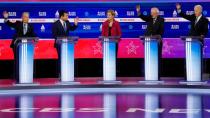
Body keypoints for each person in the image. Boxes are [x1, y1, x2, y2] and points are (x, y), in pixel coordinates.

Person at [2, 11, 36, 81]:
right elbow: (9, 24)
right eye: (25, 17)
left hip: (27, 46)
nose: (27, 18)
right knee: (17, 60)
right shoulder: (17, 23)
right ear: (22, 17)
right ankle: (16, 76)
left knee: (26, 60)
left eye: (28, 17)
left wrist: (36, 38)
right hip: (17, 45)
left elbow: (33, 34)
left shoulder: (31, 26)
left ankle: (26, 75)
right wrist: (6, 18)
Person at [136, 5, 164, 78]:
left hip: (156, 41)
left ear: (156, 13)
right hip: (148, 41)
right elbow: (142, 17)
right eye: (151, 12)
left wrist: (156, 37)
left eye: (153, 13)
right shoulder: (149, 18)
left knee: (157, 58)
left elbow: (161, 31)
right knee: (148, 57)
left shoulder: (161, 19)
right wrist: (138, 11)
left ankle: (157, 75)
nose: (151, 14)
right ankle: (148, 74)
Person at [52, 10, 79, 77]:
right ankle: (60, 73)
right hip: (59, 44)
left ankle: (68, 73)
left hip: (67, 44)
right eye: (66, 15)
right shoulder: (55, 24)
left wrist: (75, 24)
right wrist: (61, 39)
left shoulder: (67, 22)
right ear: (61, 16)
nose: (67, 17)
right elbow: (54, 35)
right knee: (61, 58)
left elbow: (72, 29)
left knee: (67, 58)